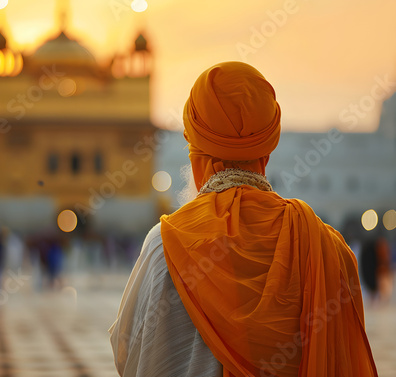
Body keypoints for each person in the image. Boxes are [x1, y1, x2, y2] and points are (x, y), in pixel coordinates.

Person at [109, 62, 378, 377]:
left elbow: (126, 348)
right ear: (267, 150)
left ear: (196, 152)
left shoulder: (165, 245)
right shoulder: (327, 249)